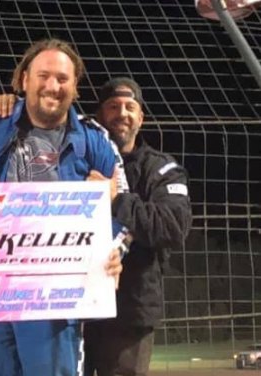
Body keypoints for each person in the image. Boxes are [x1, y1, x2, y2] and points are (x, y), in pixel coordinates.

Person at [0, 38, 125, 376]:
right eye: (43, 75)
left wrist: (114, 247)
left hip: (57, 301)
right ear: (23, 80)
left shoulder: (95, 140)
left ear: (75, 86)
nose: (52, 86)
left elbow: (122, 210)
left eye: (62, 79)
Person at [83, 77, 192, 376]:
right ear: (99, 116)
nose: (122, 113)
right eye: (113, 106)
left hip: (131, 312)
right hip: (75, 305)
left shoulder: (161, 169)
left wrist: (118, 200)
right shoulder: (78, 160)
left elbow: (174, 227)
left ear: (141, 117)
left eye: (130, 106)